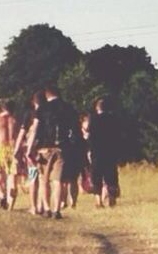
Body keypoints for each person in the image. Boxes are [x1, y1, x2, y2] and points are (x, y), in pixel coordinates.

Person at [24, 85, 82, 219]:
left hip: (44, 148)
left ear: (47, 95)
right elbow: (75, 130)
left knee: (44, 180)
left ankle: (47, 208)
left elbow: (35, 130)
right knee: (58, 180)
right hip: (62, 148)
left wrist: (29, 150)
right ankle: (57, 210)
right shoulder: (69, 108)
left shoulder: (42, 109)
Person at [87, 96, 121, 208]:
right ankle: (111, 199)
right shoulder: (114, 119)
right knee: (111, 176)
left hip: (97, 151)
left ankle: (98, 201)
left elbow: (91, 136)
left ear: (97, 108)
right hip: (111, 151)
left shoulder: (93, 119)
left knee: (97, 176)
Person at [14, 91, 45, 215]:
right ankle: (42, 205)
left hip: (31, 150)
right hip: (44, 148)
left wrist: (16, 150)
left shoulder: (29, 115)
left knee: (33, 177)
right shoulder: (48, 113)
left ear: (34, 101)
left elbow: (22, 133)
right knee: (43, 179)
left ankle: (33, 206)